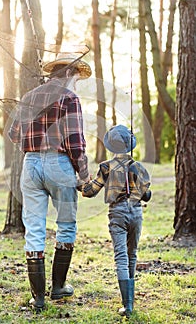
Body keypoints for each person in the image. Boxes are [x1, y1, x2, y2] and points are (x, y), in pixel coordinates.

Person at [8, 53, 92, 311]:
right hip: (60, 164)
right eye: (76, 78)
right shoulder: (69, 98)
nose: (76, 83)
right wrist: (84, 174)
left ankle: (39, 298)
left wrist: (33, 145)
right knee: (66, 225)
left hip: (30, 164)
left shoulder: (28, 96)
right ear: (68, 73)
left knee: (34, 229)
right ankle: (57, 288)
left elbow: (13, 133)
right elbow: (76, 142)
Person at [81, 124, 151, 318]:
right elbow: (147, 196)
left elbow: (89, 192)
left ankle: (127, 306)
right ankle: (130, 303)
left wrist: (79, 183)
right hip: (136, 212)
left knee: (121, 256)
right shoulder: (138, 167)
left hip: (117, 213)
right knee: (132, 254)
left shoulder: (106, 167)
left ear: (111, 146)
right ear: (130, 145)